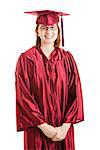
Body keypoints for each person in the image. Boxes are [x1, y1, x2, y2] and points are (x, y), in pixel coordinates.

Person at [15, 10, 84, 150]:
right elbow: (23, 97)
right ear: (37, 31)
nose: (48, 32)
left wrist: (65, 126)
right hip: (37, 130)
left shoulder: (67, 59)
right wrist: (44, 127)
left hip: (63, 130)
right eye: (43, 28)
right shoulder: (26, 59)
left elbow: (75, 93)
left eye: (52, 27)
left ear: (58, 30)